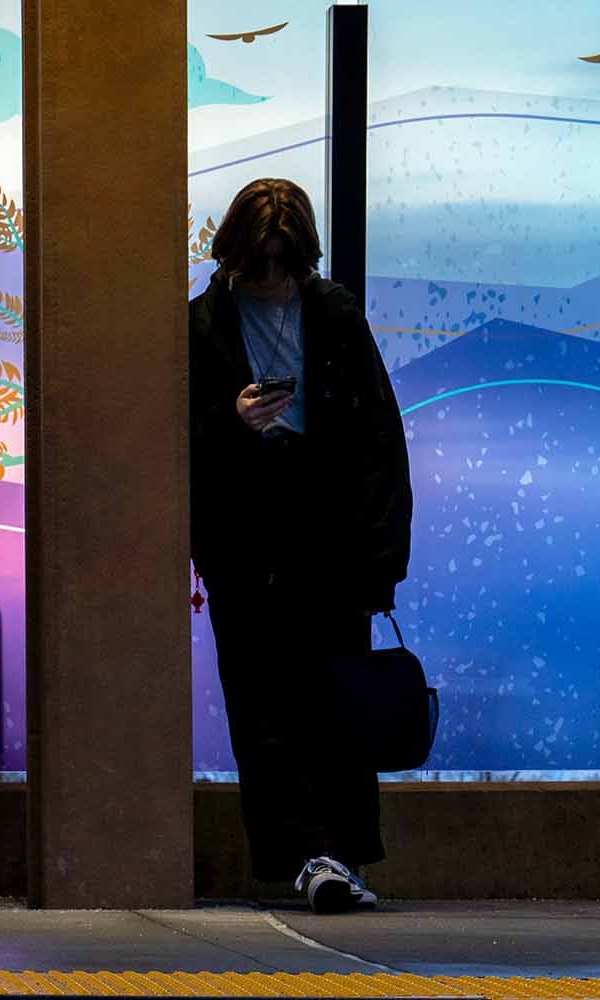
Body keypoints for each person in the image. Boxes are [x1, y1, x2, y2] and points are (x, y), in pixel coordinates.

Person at [186, 178, 414, 915]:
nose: (274, 278)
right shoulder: (201, 324)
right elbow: (170, 438)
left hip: (329, 532)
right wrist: (233, 420)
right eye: (262, 265)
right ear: (238, 257)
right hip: (245, 534)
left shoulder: (334, 313)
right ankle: (311, 855)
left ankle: (332, 855)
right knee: (262, 702)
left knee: (333, 703)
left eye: (285, 264)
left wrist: (382, 559)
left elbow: (380, 437)